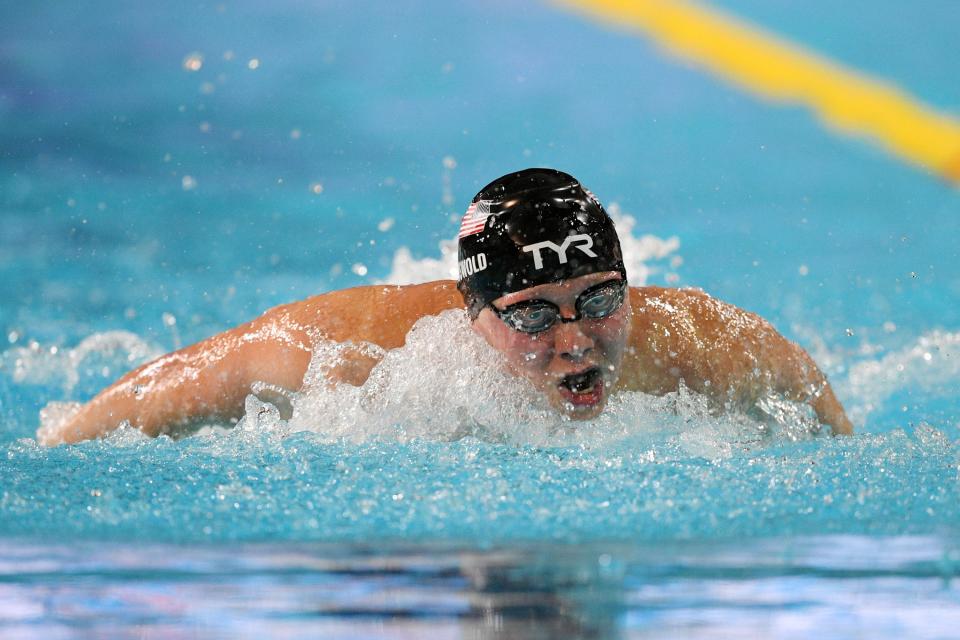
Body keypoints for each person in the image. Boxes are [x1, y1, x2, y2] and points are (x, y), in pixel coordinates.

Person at [38, 168, 853, 445]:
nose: (576, 341)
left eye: (598, 299)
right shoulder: (363, 355)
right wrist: (59, 449)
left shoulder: (699, 345)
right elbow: (184, 381)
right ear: (475, 315)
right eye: (533, 313)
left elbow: (819, 412)